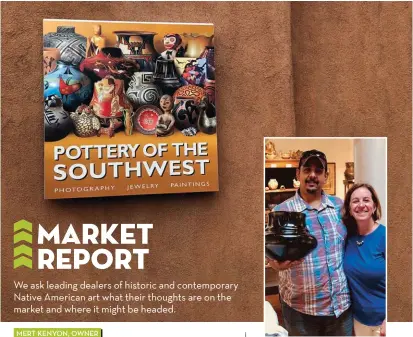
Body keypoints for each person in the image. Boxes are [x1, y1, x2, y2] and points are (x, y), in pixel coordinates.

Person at [267, 149, 352, 336]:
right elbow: (269, 249)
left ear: (325, 176)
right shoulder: (282, 211)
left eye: (318, 171)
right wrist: (275, 263)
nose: (312, 175)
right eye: (307, 170)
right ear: (298, 174)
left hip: (340, 308)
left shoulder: (340, 207)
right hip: (300, 311)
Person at [342, 183, 386, 336]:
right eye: (355, 201)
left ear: (374, 206)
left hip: (384, 322)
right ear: (349, 209)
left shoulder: (386, 237)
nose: (361, 205)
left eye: (366, 200)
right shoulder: (348, 238)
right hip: (359, 320)